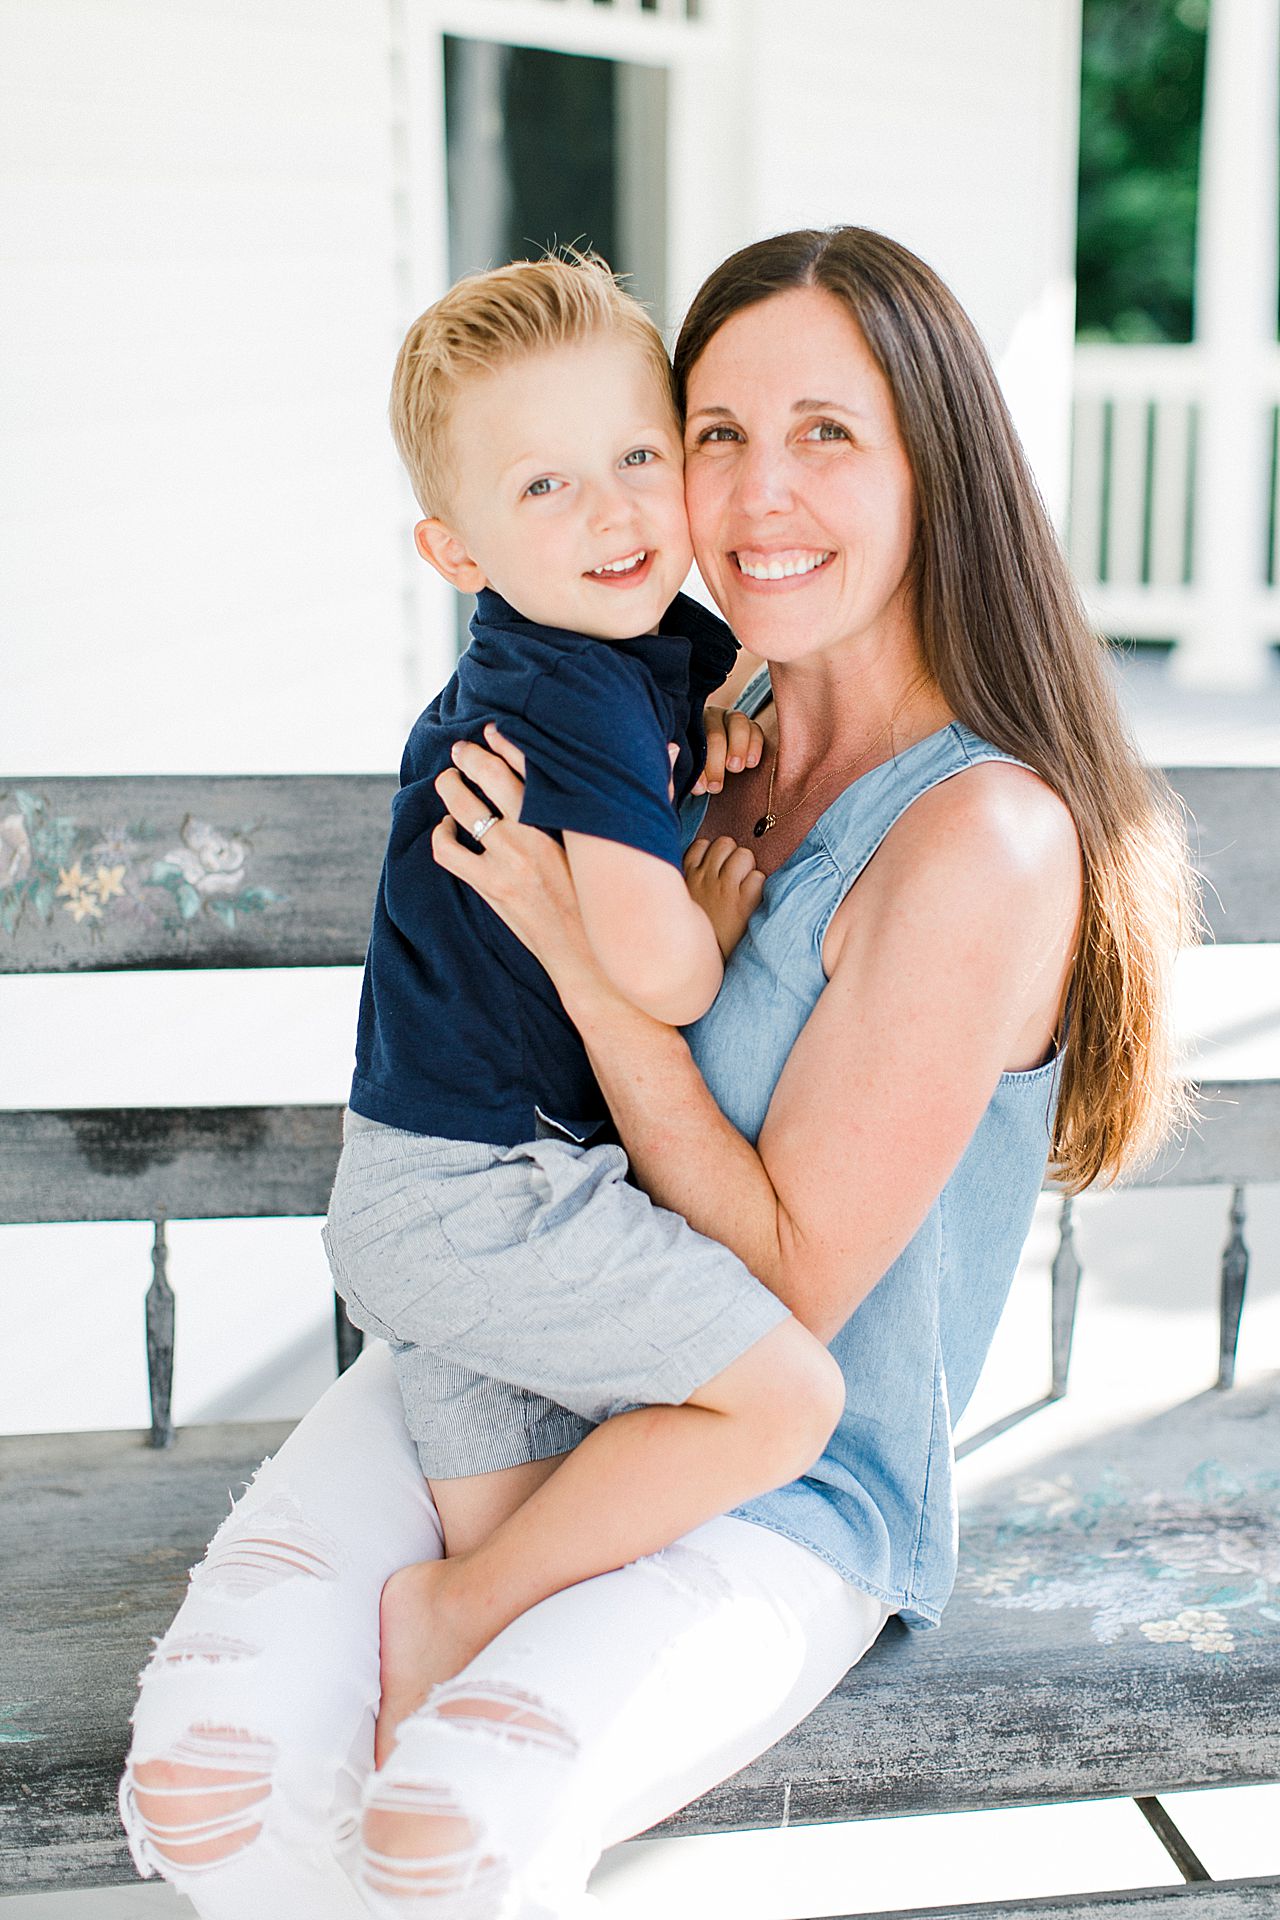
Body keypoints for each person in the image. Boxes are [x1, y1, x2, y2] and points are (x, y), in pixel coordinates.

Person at [118, 226, 1192, 1920]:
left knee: (449, 1830)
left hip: (780, 1477)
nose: (759, 493)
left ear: (939, 465)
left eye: (827, 434)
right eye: (715, 433)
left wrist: (580, 955)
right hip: (532, 1329)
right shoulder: (686, 708)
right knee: (206, 1782)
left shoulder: (978, 837)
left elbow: (783, 1283)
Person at [321, 250, 844, 1763]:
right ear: (456, 550)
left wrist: (710, 747)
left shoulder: (637, 655)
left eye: (635, 456)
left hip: (428, 1186)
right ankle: (446, 1618)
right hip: (495, 1199)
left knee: (530, 1591)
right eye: (545, 489)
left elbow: (685, 739)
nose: (616, 512)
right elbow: (655, 968)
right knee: (783, 1403)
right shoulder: (566, 690)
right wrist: (707, 899)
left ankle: (429, 1782)